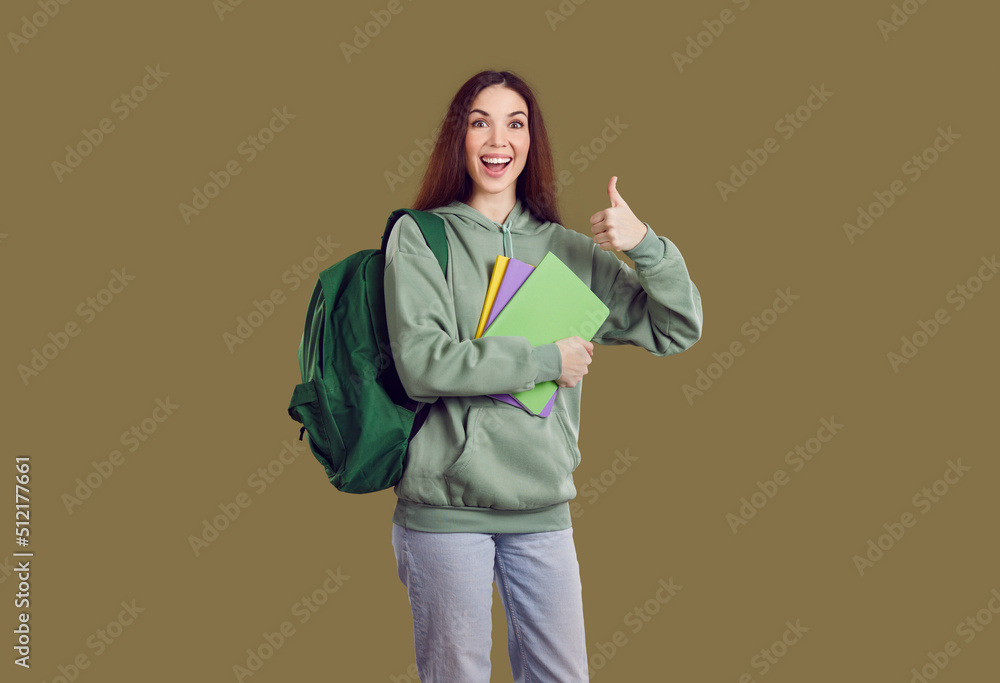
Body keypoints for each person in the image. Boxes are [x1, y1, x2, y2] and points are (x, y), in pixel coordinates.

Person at [383, 69, 703, 683]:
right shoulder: (422, 239)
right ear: (460, 137)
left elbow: (677, 328)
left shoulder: (570, 251)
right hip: (447, 512)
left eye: (515, 123)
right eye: (480, 121)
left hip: (542, 511)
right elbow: (422, 365)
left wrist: (645, 246)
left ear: (531, 143)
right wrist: (546, 360)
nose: (497, 139)